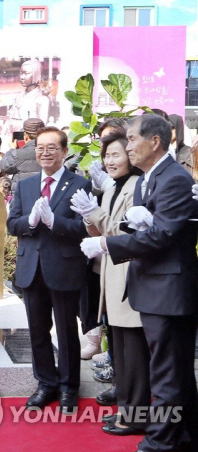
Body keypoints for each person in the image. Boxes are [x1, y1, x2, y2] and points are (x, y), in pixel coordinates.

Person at [85, 114, 198, 452]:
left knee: (166, 372)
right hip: (154, 287)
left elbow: (162, 236)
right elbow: (153, 228)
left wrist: (107, 243)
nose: (128, 146)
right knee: (174, 370)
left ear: (155, 141)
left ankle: (162, 440)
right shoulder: (152, 177)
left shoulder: (172, 178)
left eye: (132, 139)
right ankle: (185, 433)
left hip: (169, 290)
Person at [6, 126, 91, 415]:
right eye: (40, 147)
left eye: (52, 147)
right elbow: (11, 224)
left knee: (67, 331)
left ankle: (69, 387)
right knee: (38, 330)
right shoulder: (26, 185)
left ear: (64, 152)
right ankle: (45, 383)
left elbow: (85, 228)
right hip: (31, 266)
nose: (45, 152)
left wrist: (56, 222)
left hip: (64, 266)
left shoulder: (79, 184)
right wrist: (29, 222)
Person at [71, 131, 149, 436]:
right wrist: (89, 217)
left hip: (129, 279)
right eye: (107, 155)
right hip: (110, 278)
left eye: (116, 153)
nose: (109, 160)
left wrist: (97, 213)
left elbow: (124, 232)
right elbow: (101, 232)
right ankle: (125, 411)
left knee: (135, 355)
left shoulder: (135, 186)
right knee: (120, 352)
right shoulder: (115, 186)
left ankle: (135, 416)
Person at [0, 118, 44, 195]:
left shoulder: (17, 154)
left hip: (21, 199)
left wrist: (11, 149)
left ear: (26, 136)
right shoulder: (51, 153)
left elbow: (4, 167)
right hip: (44, 199)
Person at [6, 59, 50, 133]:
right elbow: (9, 120)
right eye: (21, 73)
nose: (22, 77)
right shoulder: (18, 97)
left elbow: (42, 127)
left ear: (36, 74)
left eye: (26, 73)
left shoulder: (42, 100)